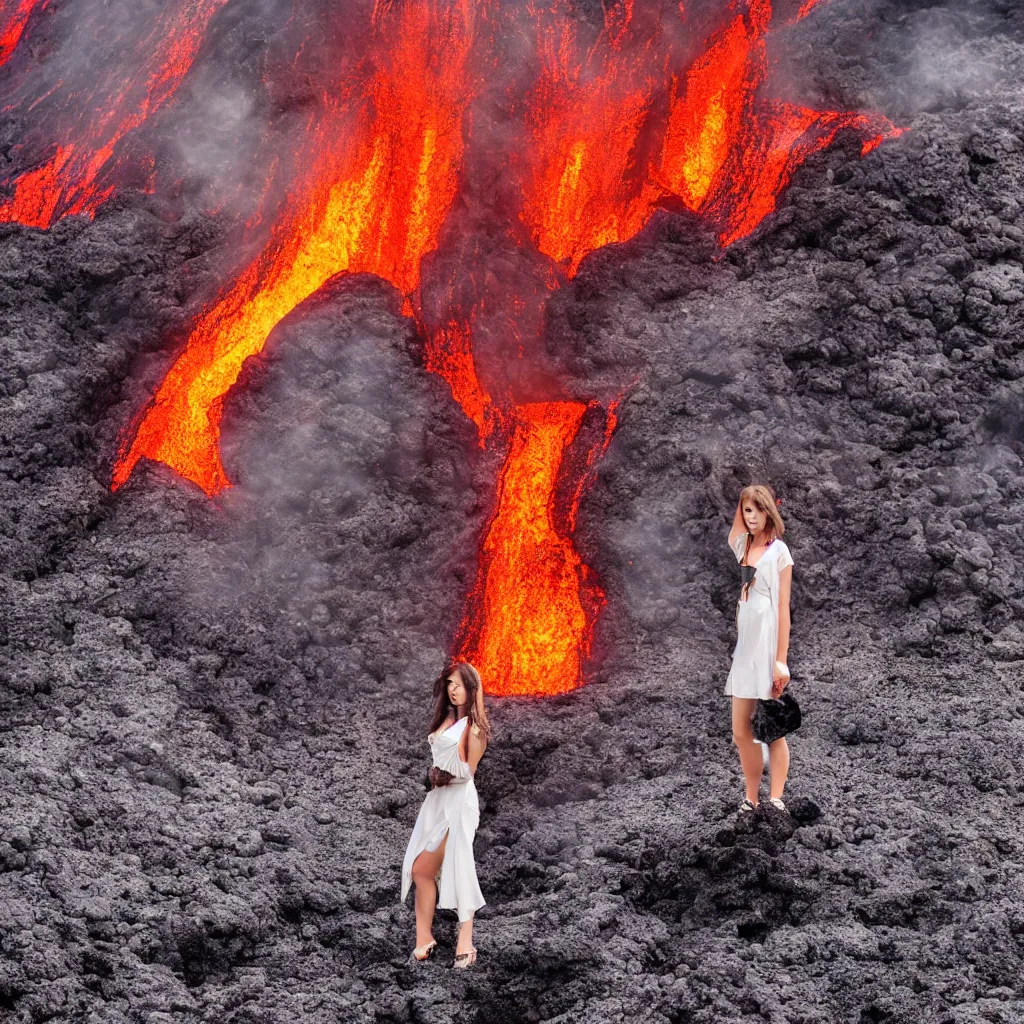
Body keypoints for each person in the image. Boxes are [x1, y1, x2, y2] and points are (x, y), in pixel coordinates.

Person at [401, 662, 490, 968]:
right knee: (421, 870)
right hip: (438, 801)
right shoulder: (448, 719)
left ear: (472, 689)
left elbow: (469, 771)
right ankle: (424, 939)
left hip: (459, 801)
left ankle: (466, 940)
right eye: (450, 684)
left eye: (460, 685)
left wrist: (442, 777)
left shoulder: (475, 729)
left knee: (458, 863)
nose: (454, 690)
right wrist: (435, 776)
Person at [725, 485, 794, 813]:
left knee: (771, 725)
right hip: (745, 642)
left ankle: (776, 796)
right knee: (741, 730)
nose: (750, 518)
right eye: (746, 511)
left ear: (768, 510)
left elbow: (784, 608)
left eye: (756, 510)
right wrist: (744, 497)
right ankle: (751, 798)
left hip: (767, 639)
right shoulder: (743, 545)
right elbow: (736, 529)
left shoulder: (780, 552)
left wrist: (781, 660)